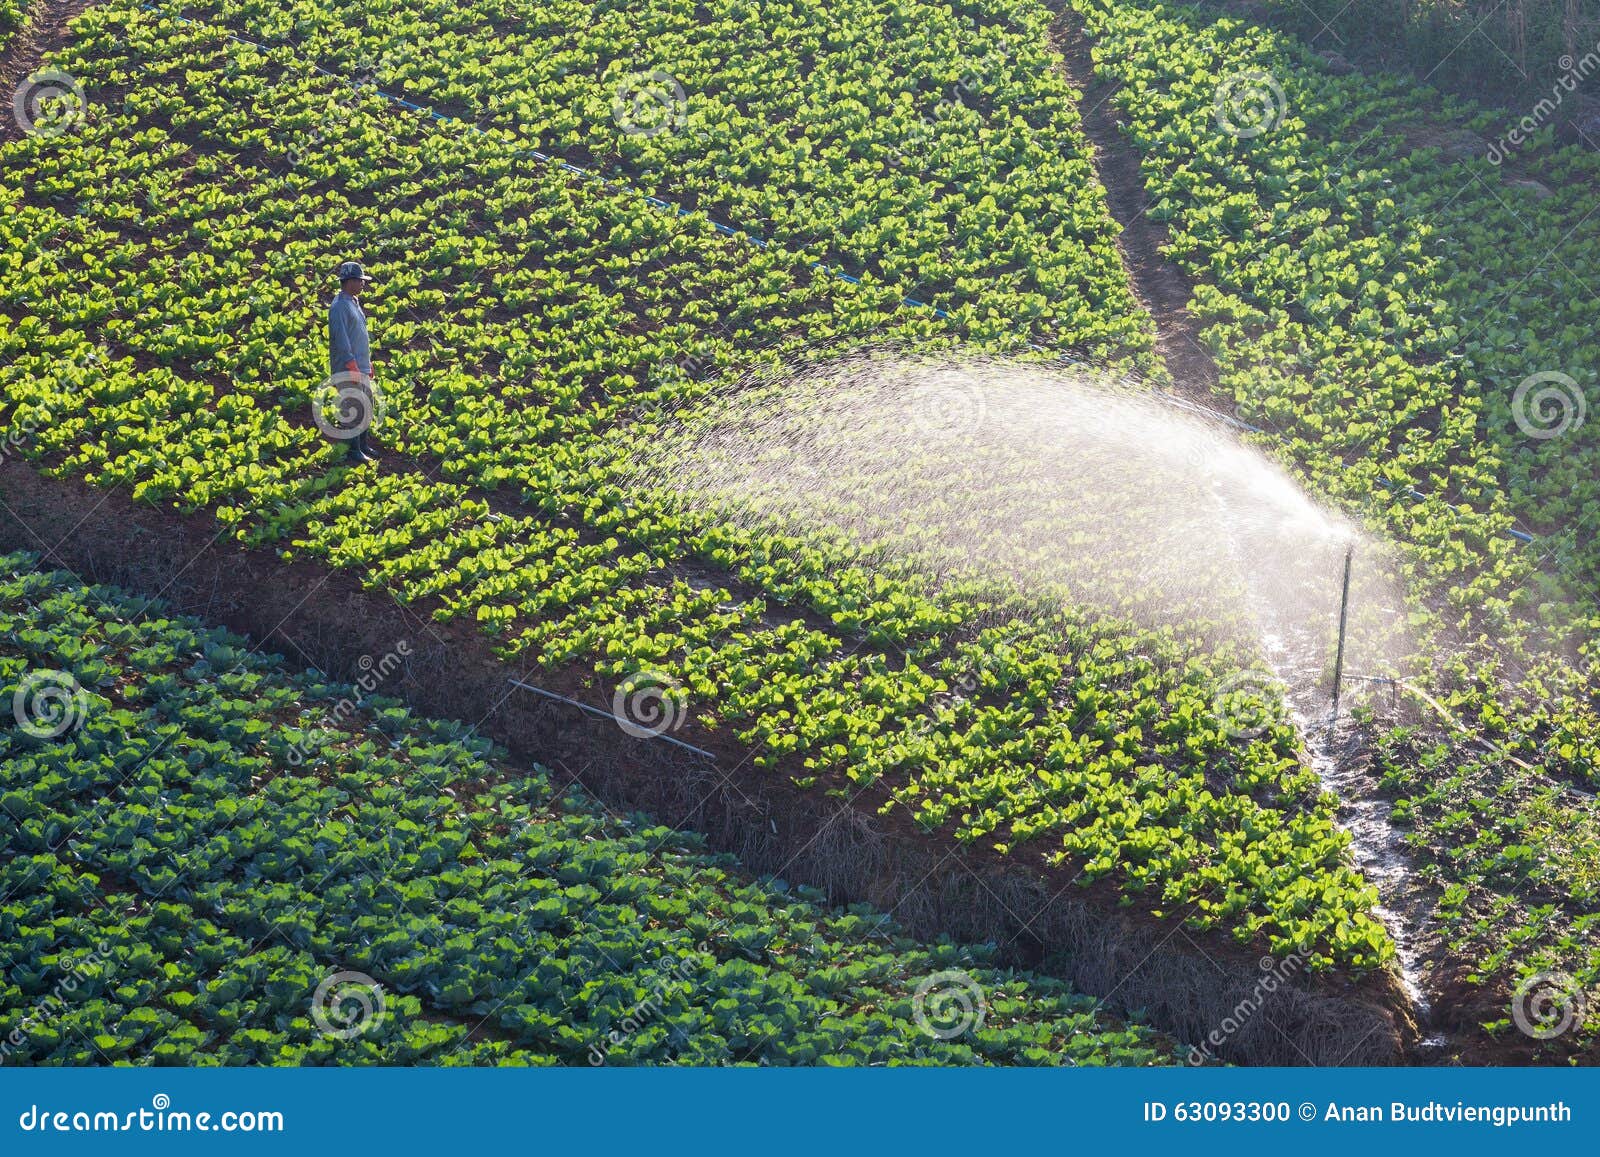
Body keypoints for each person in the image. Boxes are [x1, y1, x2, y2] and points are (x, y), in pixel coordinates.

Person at [328, 260, 380, 463]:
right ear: (349, 281)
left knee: (367, 405)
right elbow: (341, 340)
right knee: (353, 408)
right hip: (349, 368)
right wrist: (352, 366)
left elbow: (358, 336)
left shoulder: (353, 302)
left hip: (361, 366)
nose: (363, 284)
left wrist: (367, 364)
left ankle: (363, 445)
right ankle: (353, 452)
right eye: (360, 280)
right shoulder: (340, 306)